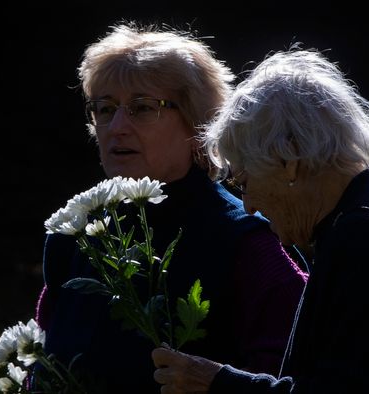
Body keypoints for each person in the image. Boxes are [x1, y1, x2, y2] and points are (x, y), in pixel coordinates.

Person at [151, 47, 369, 393]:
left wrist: (218, 383)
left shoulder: (363, 235)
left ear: (288, 160)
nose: (248, 206)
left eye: (244, 183)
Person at [34, 23, 308, 393]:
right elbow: (47, 362)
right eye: (105, 108)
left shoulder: (246, 241)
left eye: (142, 108)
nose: (116, 127)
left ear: (197, 124)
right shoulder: (75, 235)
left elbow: (291, 375)